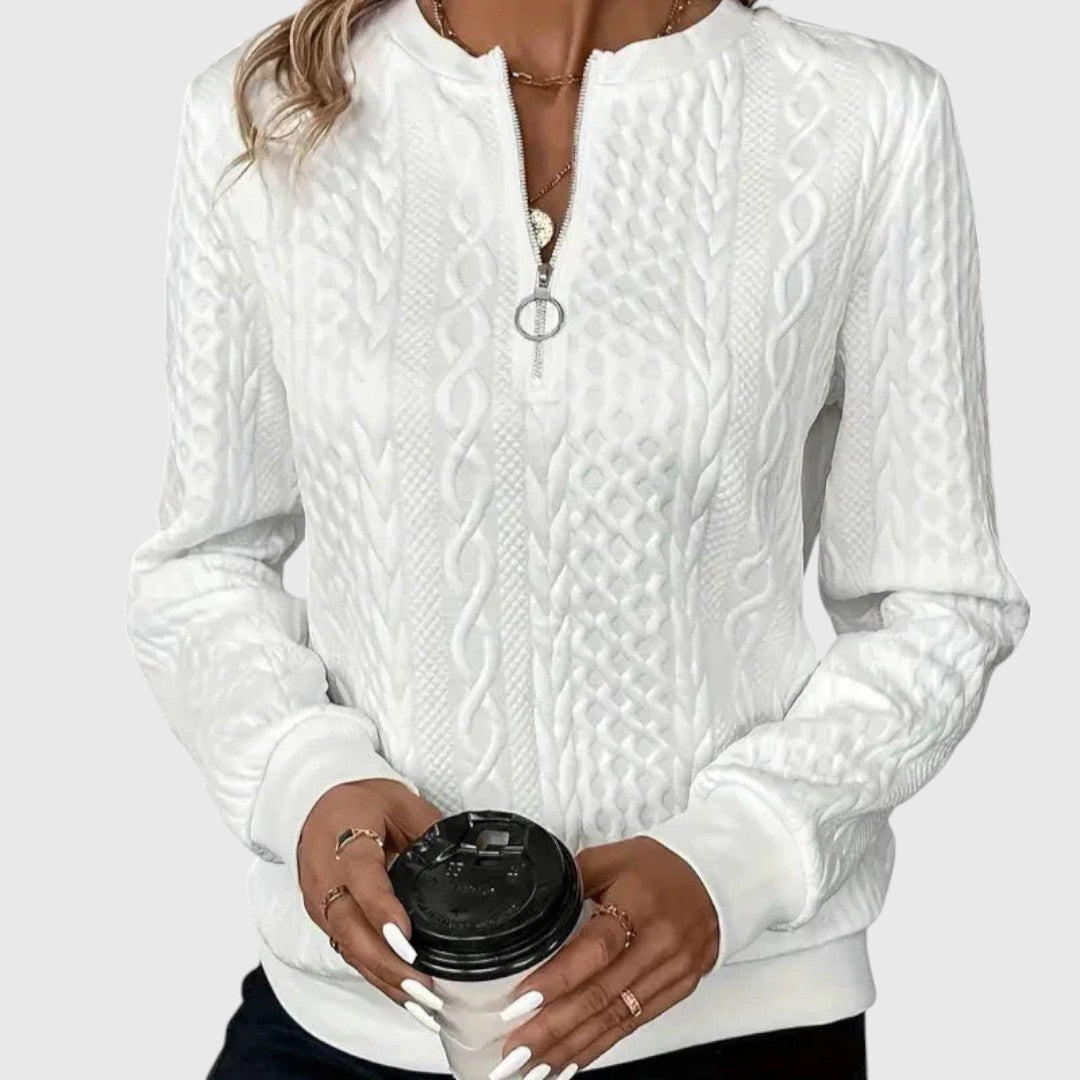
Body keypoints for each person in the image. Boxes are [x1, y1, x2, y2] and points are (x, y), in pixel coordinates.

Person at [124, 1, 1030, 1077]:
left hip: (733, 1024)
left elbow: (937, 605)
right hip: (352, 1021)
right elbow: (206, 561)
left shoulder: (862, 116)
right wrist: (306, 779)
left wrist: (733, 859)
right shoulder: (266, 112)